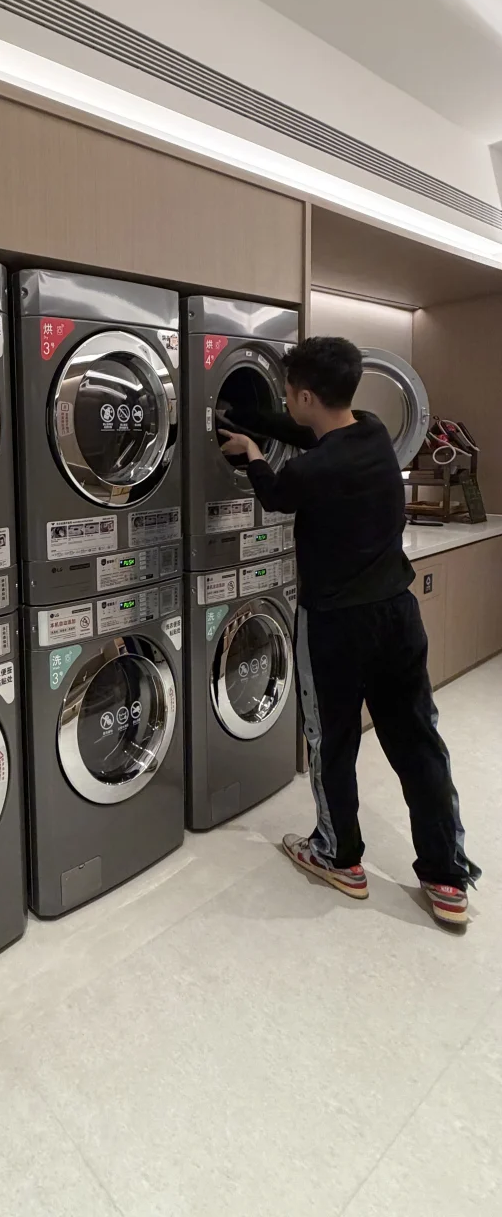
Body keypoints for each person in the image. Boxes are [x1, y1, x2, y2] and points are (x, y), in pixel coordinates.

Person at [218, 335, 479, 928]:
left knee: (331, 739)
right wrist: (252, 419)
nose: (287, 401)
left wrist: (252, 453)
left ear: (307, 396)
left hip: (336, 623)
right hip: (397, 614)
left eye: (289, 393)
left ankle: (338, 856)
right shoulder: (374, 432)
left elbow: (276, 494)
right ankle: (446, 876)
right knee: (417, 740)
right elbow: (308, 433)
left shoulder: (309, 471)